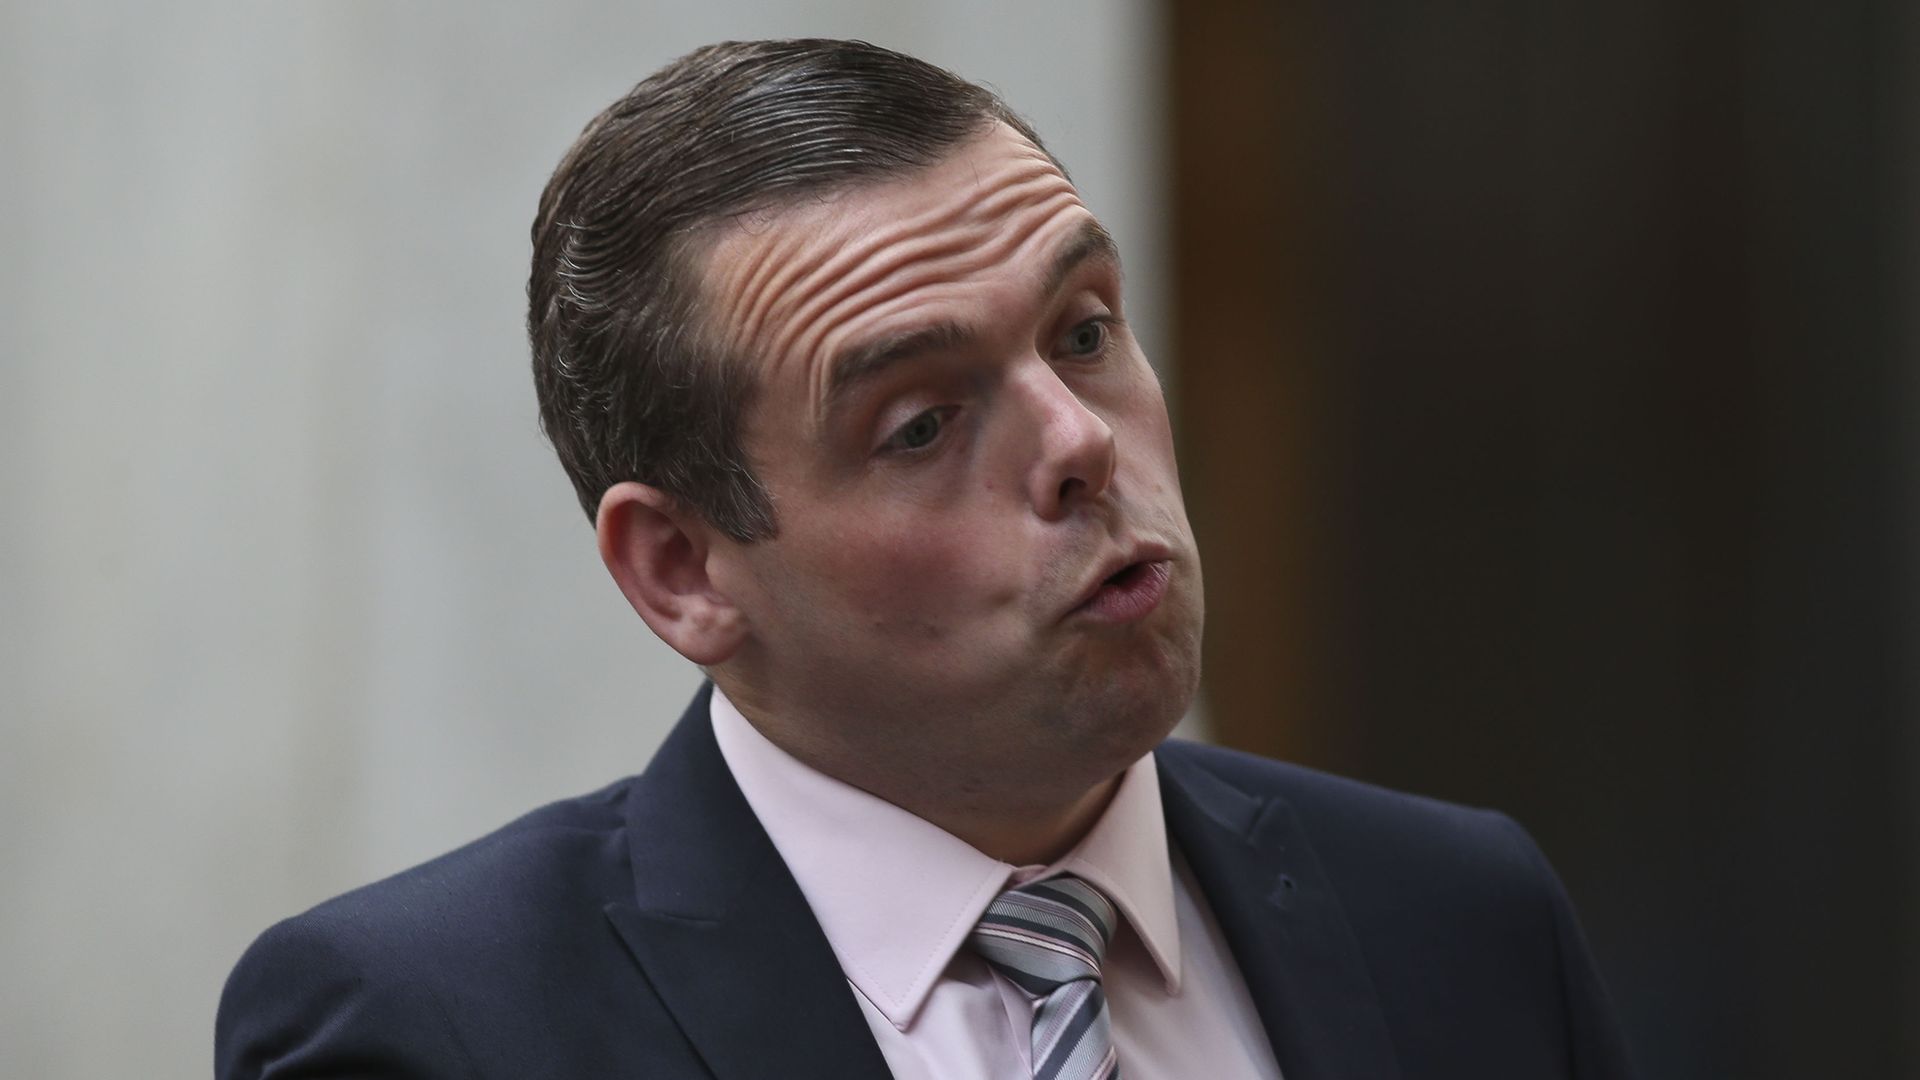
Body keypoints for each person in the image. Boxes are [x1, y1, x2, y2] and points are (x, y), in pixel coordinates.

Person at [216, 38, 1635, 1080]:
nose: (1081, 442)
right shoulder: (435, 1028)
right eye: (921, 422)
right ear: (683, 571)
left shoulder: (1458, 918)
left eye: (1084, 330)